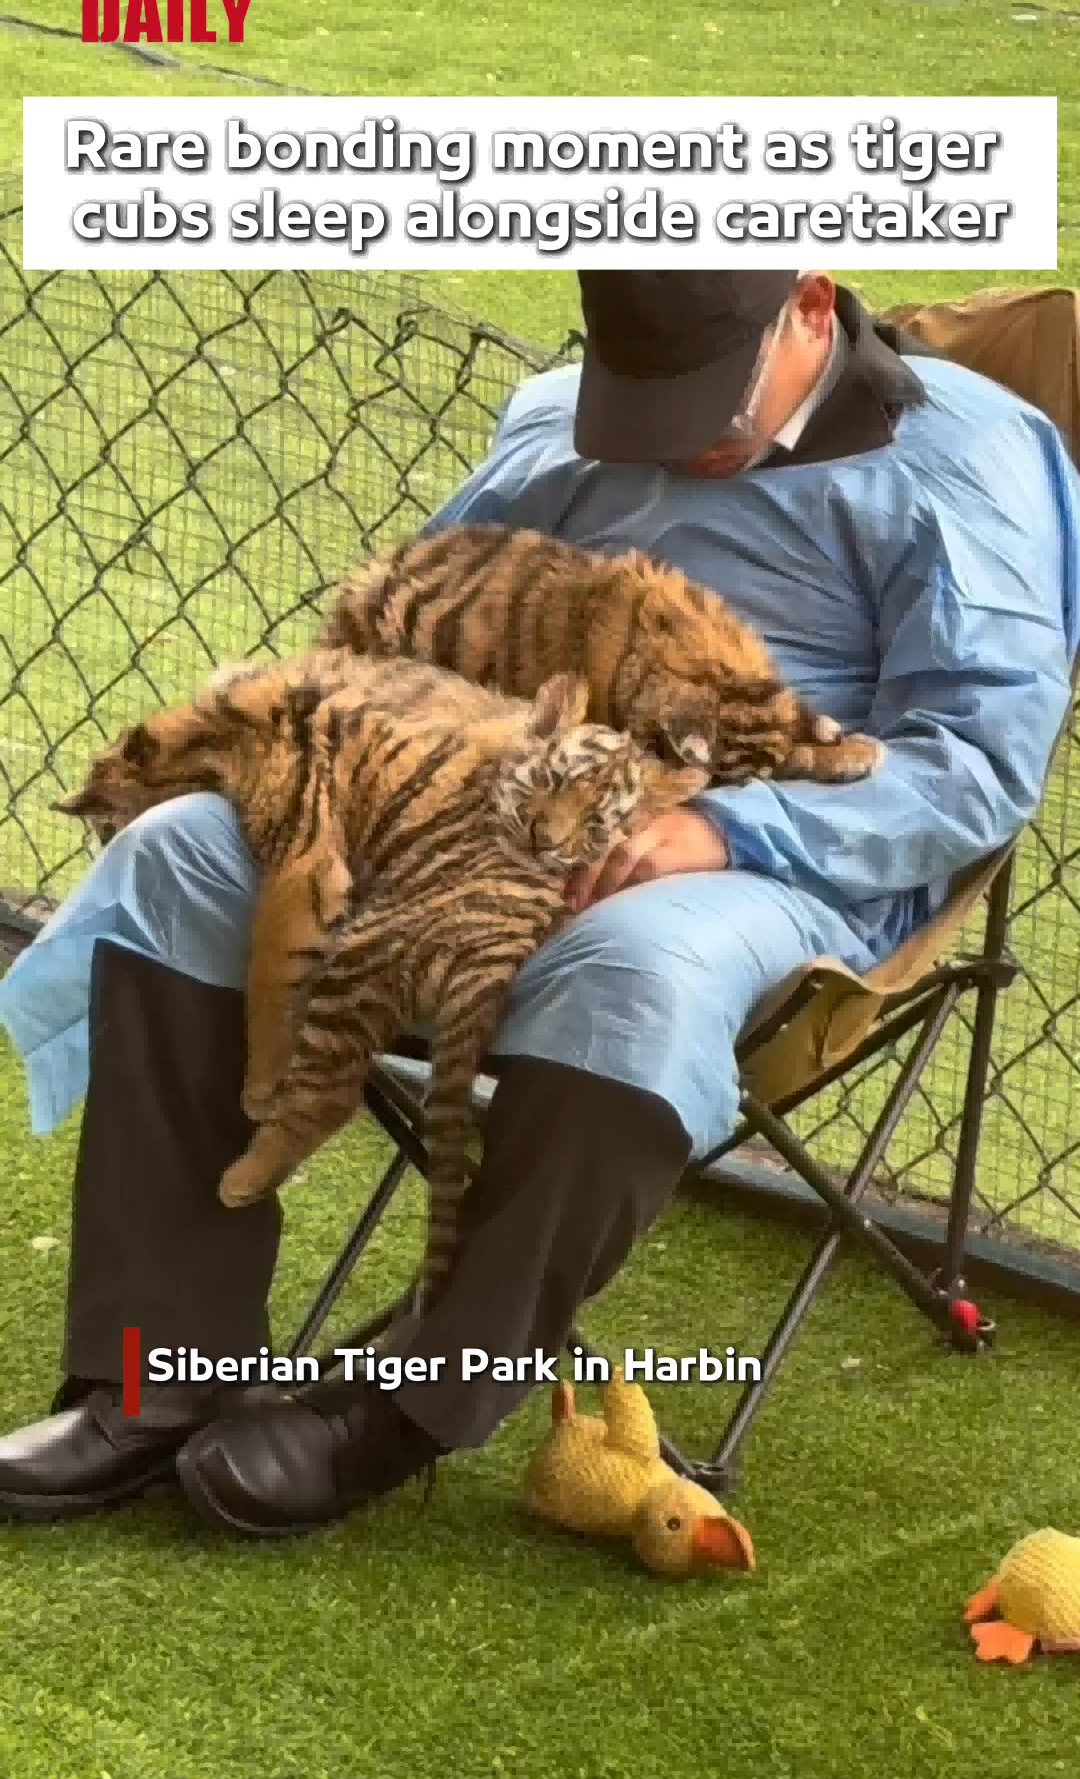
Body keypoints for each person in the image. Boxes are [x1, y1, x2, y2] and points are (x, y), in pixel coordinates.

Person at [0, 270, 1076, 1535]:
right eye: (642, 406)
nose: (673, 443)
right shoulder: (561, 416)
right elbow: (410, 625)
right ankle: (156, 1375)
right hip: (487, 788)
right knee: (184, 853)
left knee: (635, 973)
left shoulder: (967, 460)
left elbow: (974, 765)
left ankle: (407, 1403)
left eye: (704, 407)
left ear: (808, 303)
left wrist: (722, 827)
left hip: (780, 851)